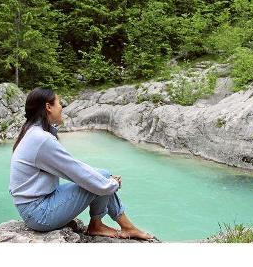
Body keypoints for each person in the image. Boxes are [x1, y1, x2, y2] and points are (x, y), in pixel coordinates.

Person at [9, 87, 154, 240]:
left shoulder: (33, 133)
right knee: (102, 178)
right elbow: (75, 171)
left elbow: (76, 168)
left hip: (36, 206)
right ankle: (106, 226)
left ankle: (119, 226)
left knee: (102, 176)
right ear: (48, 107)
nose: (62, 107)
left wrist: (106, 180)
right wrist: (111, 184)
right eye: (59, 103)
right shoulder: (41, 139)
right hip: (39, 214)